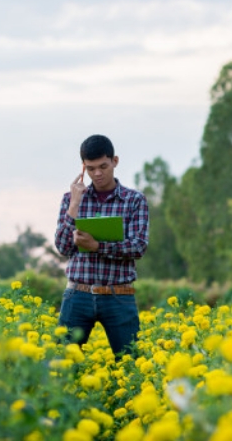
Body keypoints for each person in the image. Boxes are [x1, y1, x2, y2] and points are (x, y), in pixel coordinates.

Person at [54, 134, 149, 357]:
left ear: (115, 161)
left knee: (130, 364)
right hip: (77, 294)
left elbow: (139, 246)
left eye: (103, 166)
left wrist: (97, 246)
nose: (97, 173)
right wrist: (74, 205)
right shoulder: (70, 199)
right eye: (91, 168)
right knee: (61, 365)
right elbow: (63, 247)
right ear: (83, 168)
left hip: (119, 295)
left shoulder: (134, 200)